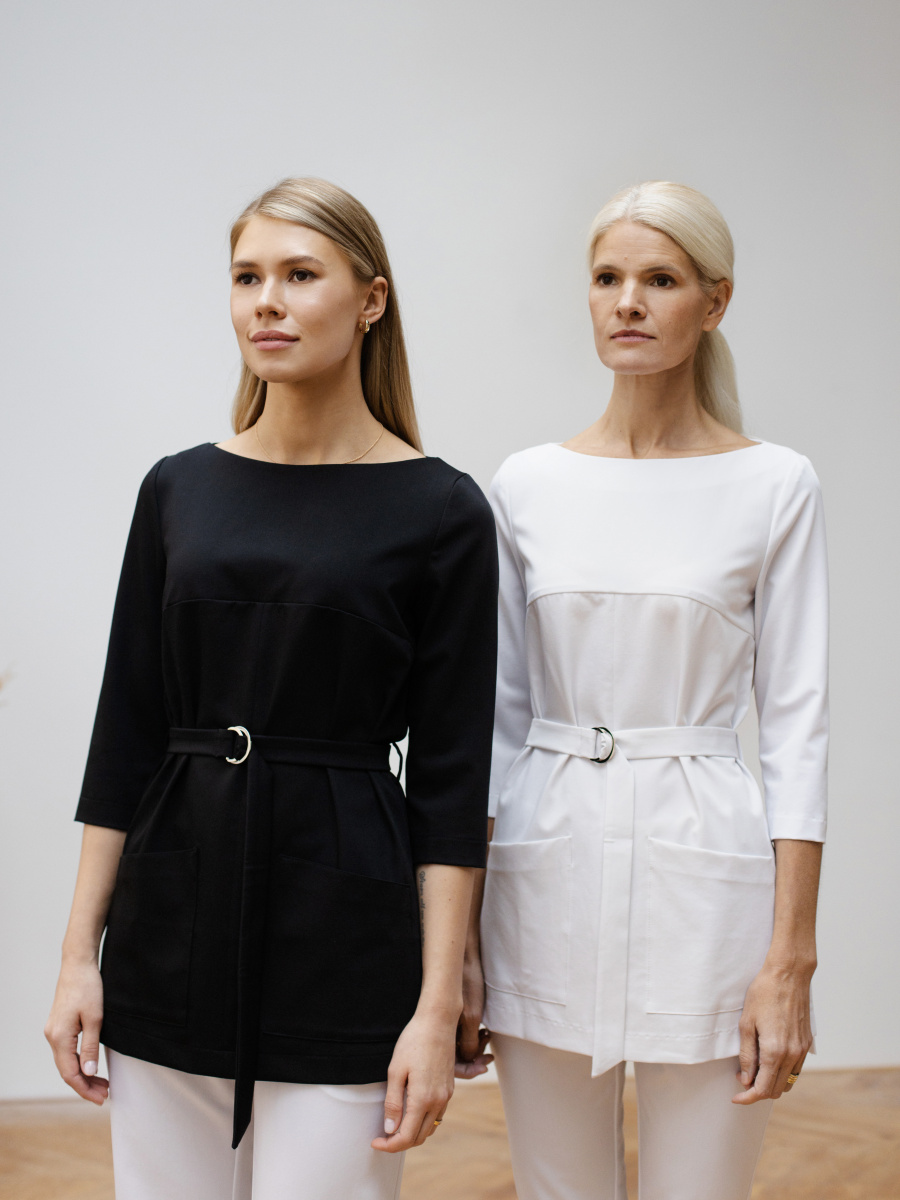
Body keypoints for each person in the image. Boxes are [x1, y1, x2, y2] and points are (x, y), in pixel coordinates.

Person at [45, 177, 498, 1200]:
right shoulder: (178, 488)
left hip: (347, 930)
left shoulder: (442, 510)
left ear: (370, 300)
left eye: (299, 275)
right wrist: (79, 957)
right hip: (170, 922)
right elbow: (125, 736)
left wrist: (435, 1005)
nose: (267, 303)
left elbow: (450, 781)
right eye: (247, 277)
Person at [458, 181, 828, 1200]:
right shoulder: (527, 484)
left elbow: (797, 731)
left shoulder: (774, 485)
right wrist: (462, 943)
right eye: (607, 278)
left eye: (659, 280)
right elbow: (495, 724)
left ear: (714, 302)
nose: (627, 302)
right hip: (544, 873)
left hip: (707, 883)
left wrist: (790, 959)